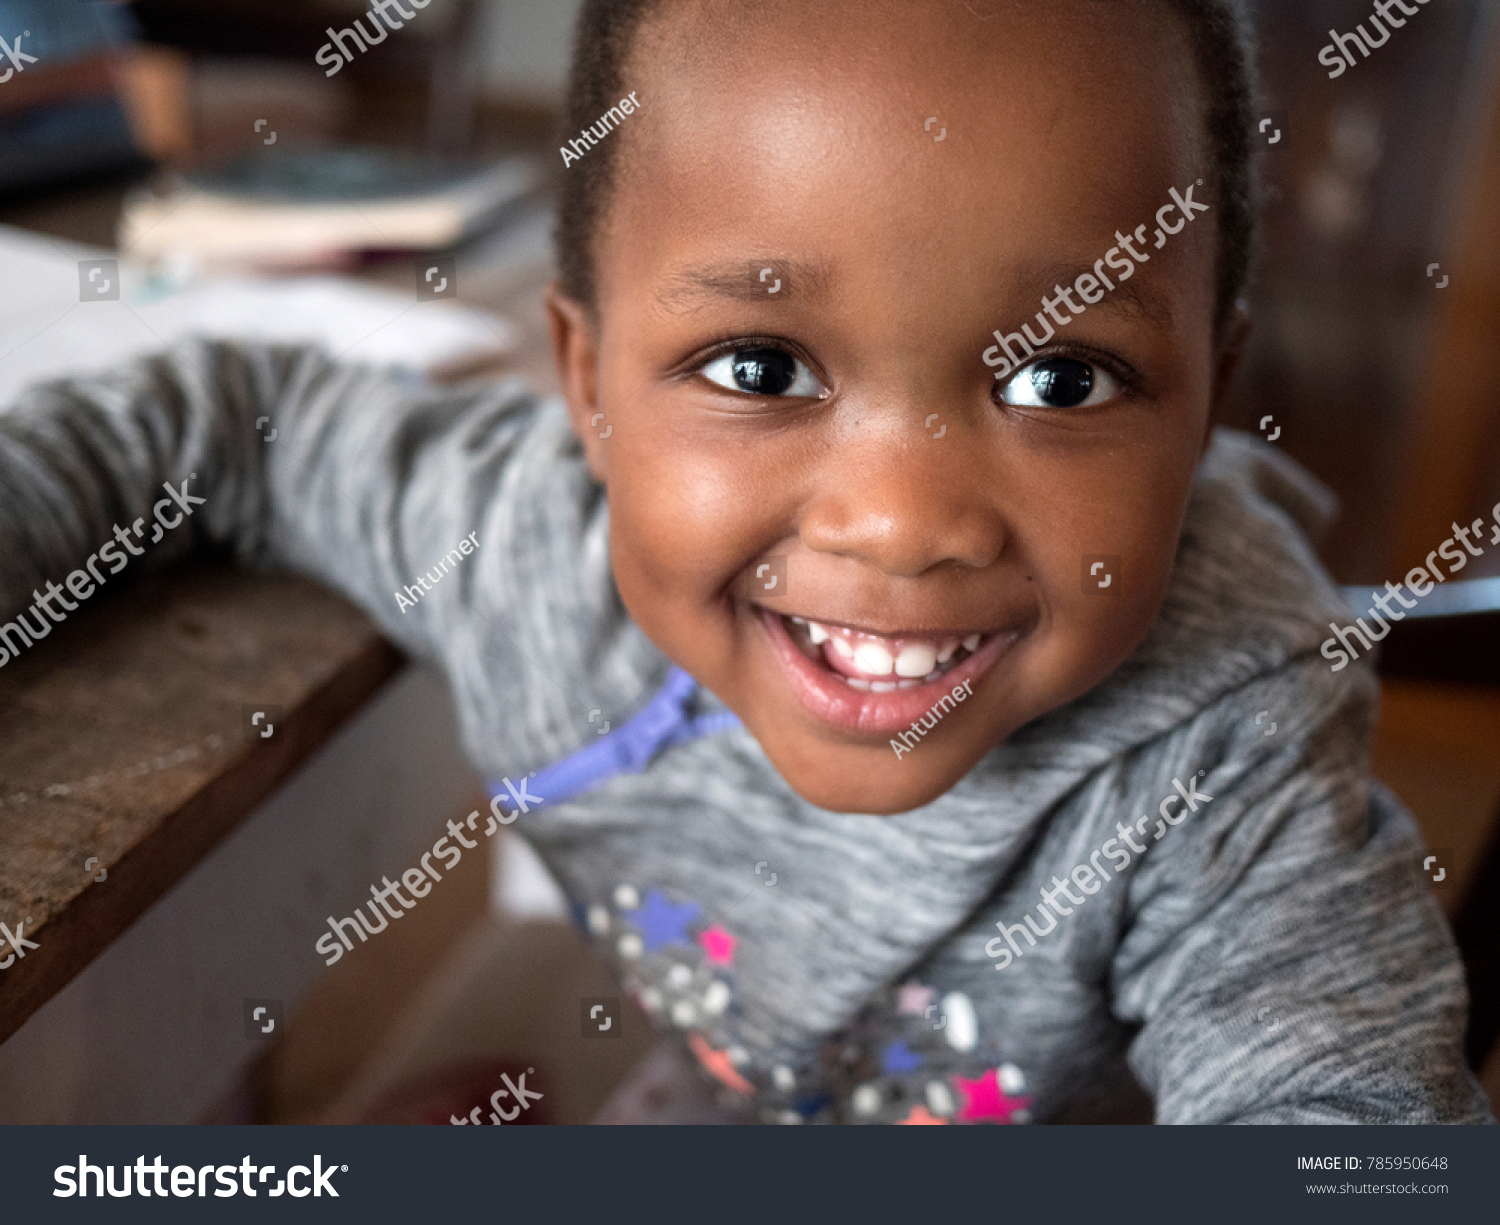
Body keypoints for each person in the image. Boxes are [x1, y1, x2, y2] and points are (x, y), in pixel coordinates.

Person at [0, 0, 1490, 1124]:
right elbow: (240, 417)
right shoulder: (520, 552)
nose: (902, 522)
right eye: (763, 364)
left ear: (1209, 400)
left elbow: (1348, 1118)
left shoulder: (1227, 741)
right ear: (584, 383)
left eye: (1064, 382)